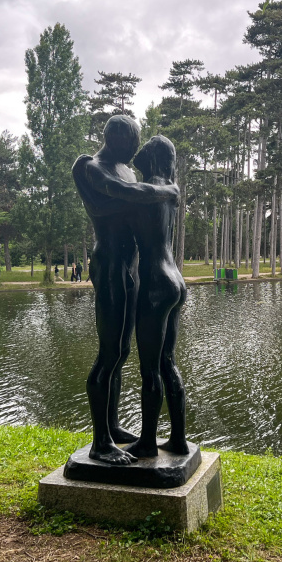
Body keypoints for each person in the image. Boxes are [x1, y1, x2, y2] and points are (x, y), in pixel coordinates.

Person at [72, 116, 179, 465]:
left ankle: (113, 426)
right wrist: (169, 190)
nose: (135, 153)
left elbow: (134, 199)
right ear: (117, 137)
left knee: (123, 352)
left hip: (132, 267)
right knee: (110, 352)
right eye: (132, 144)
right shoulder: (90, 166)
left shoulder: (127, 169)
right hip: (110, 265)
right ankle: (100, 443)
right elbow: (125, 196)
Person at [124, 136, 189, 458]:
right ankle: (178, 439)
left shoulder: (145, 192)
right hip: (175, 279)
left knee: (149, 369)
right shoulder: (169, 190)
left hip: (153, 283)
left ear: (150, 159)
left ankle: (148, 441)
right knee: (168, 362)